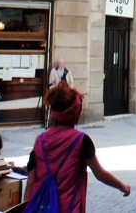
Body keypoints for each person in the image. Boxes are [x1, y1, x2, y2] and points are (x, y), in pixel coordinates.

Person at [25, 81, 130, 212]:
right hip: (69, 207)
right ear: (77, 114)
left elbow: (30, 181)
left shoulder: (39, 141)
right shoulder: (81, 141)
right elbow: (100, 174)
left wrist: (25, 207)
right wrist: (122, 186)